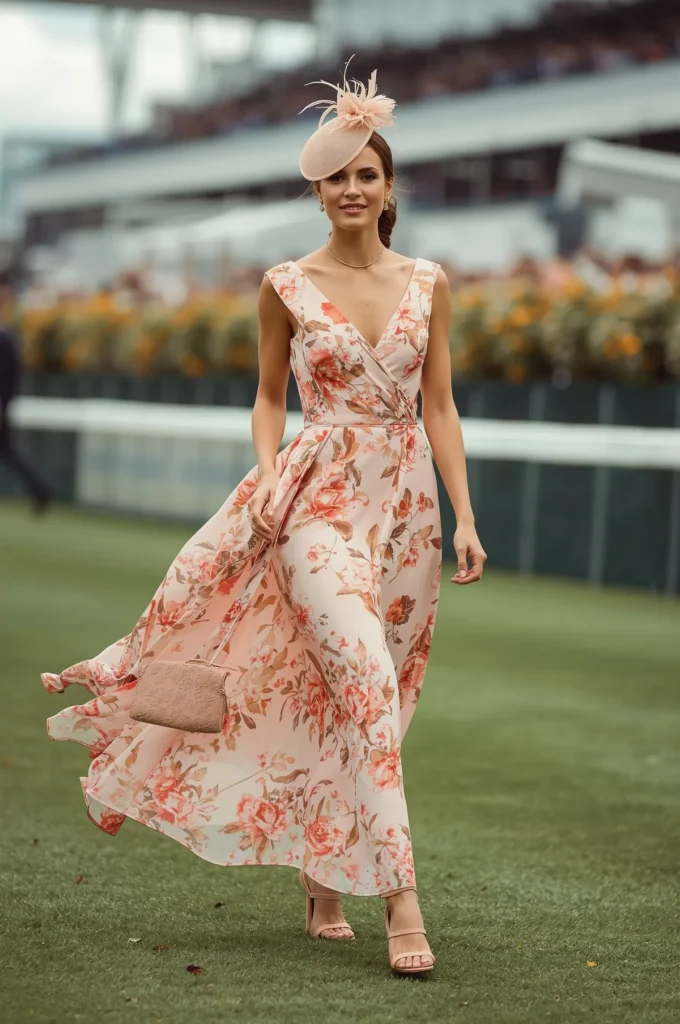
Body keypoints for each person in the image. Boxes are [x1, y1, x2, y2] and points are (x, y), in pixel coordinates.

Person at [40, 59, 486, 977]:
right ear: (317, 191)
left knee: (376, 706)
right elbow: (266, 397)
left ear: (388, 186)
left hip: (406, 517)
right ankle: (403, 903)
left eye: (367, 173)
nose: (353, 189)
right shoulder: (283, 283)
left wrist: (466, 517)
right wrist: (267, 470)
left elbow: (440, 406)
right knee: (362, 685)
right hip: (315, 506)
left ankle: (324, 876)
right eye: (337, 176)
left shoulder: (431, 282)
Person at [0, 269, 52, 513]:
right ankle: (40, 490)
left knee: (9, 453)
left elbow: (9, 377)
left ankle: (41, 490)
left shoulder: (6, 337)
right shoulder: (8, 336)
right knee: (9, 453)